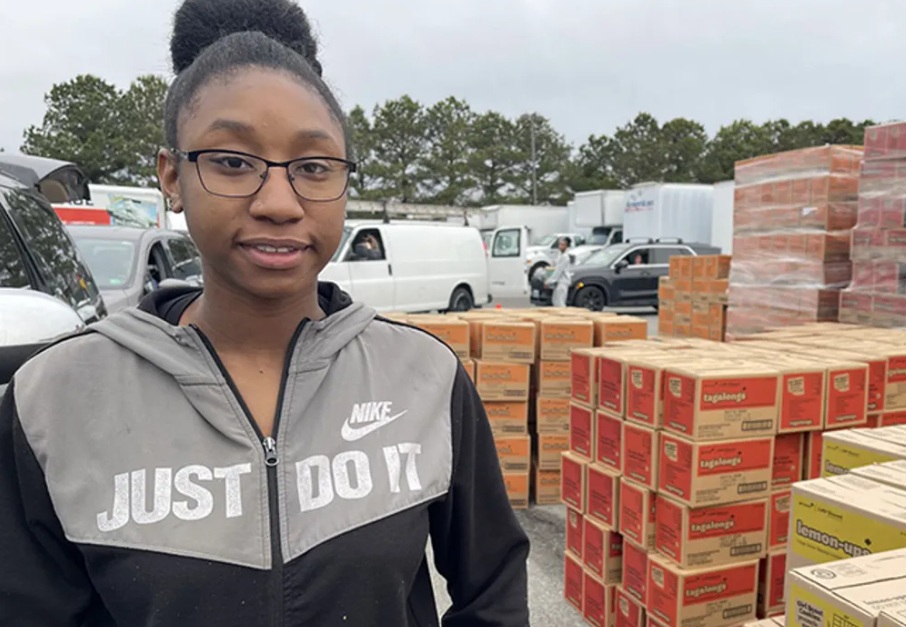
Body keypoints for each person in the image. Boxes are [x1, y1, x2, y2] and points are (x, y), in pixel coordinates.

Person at [0, 0, 530, 625]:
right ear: (171, 177)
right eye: (233, 161)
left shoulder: (423, 377)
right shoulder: (54, 400)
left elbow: (493, 589)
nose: (279, 202)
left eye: (313, 167)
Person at [550, 236, 574, 308]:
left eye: (562, 245)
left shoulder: (565, 257)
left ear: (566, 246)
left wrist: (550, 281)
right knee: (555, 301)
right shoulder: (560, 254)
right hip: (559, 281)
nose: (560, 246)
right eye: (560, 244)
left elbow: (558, 270)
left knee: (560, 302)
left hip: (563, 281)